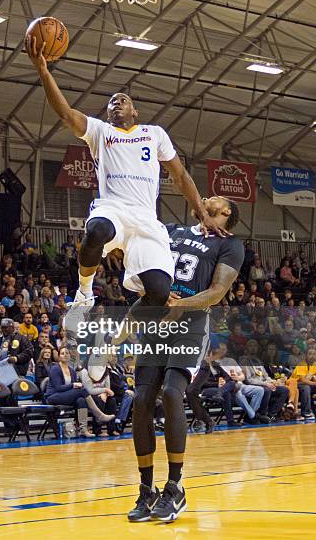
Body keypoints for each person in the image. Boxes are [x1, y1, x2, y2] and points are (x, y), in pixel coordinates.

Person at [26, 35, 227, 348]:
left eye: (122, 100)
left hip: (146, 219)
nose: (115, 104)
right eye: (111, 103)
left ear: (135, 112)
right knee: (97, 229)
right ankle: (83, 294)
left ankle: (113, 344)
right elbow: (66, 113)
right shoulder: (100, 132)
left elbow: (180, 174)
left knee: (160, 292)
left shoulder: (154, 134)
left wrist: (203, 214)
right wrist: (43, 70)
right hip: (114, 208)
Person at [125, 196, 244, 523]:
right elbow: (146, 268)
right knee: (141, 399)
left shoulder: (231, 244)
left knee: (173, 393)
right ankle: (146, 489)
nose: (206, 197)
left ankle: (174, 487)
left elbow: (217, 291)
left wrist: (182, 305)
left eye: (215, 198)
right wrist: (151, 294)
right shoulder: (173, 230)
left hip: (191, 323)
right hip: (155, 320)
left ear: (227, 211)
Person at [45, 346, 114, 438]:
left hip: (66, 396)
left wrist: (74, 386)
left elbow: (72, 389)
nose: (65, 355)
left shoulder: (72, 370)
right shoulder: (55, 369)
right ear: (58, 356)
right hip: (53, 396)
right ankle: (99, 415)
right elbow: (58, 388)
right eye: (62, 353)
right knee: (82, 390)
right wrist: (73, 385)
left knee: (81, 400)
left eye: (67, 353)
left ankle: (83, 430)